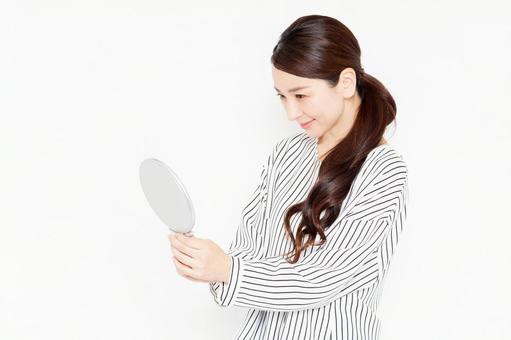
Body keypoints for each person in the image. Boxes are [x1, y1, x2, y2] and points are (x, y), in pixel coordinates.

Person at [168, 14, 409, 340]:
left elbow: (325, 276)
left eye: (301, 95)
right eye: (282, 97)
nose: (291, 113)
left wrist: (227, 270)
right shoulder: (286, 154)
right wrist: (208, 265)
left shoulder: (383, 171)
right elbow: (247, 250)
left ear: (346, 83)